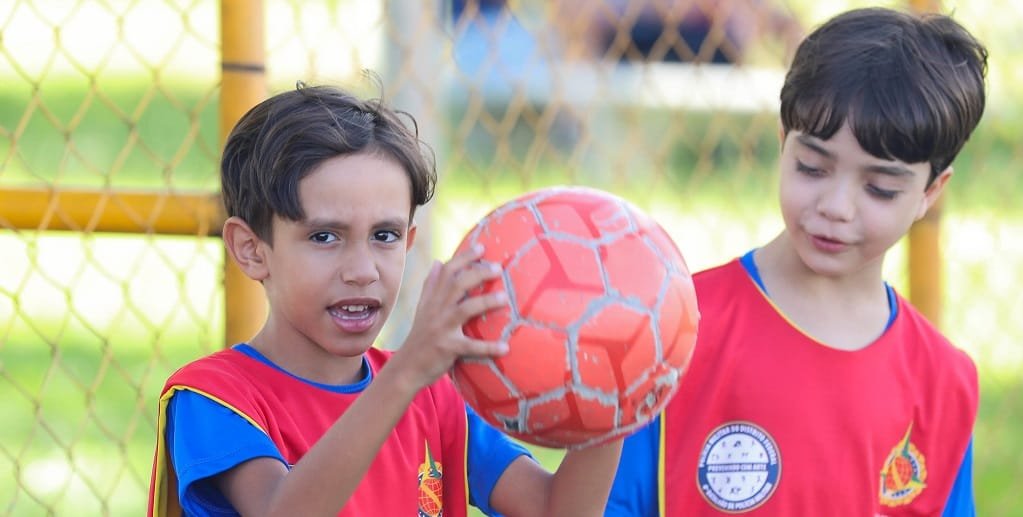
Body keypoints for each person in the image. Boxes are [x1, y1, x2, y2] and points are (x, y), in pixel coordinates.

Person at [146, 82, 623, 516]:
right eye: (325, 237)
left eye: (384, 235)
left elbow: (555, 510)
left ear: (409, 242)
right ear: (252, 250)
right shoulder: (214, 398)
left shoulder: (434, 397)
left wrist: (617, 390)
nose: (362, 270)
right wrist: (408, 371)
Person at [606, 6, 986, 516]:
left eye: (879, 187)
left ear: (930, 193)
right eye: (812, 167)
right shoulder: (676, 329)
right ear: (784, 143)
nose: (836, 206)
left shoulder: (943, 381)